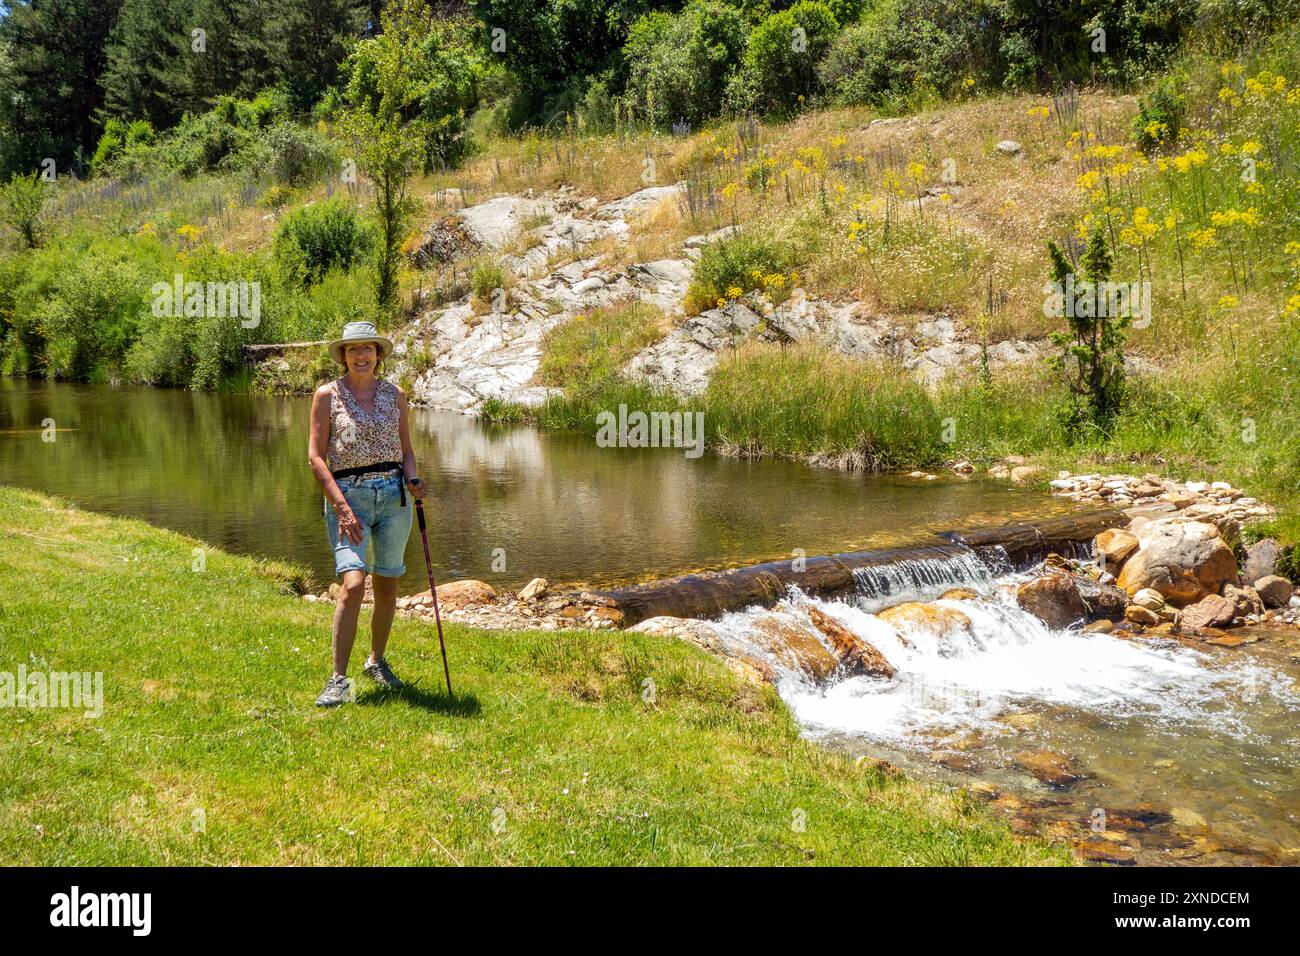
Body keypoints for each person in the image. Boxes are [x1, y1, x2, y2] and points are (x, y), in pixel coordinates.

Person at [307, 320, 426, 707]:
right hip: (349, 497)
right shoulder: (327, 395)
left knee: (388, 584)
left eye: (368, 349)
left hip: (394, 498)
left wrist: (414, 479)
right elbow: (315, 457)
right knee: (354, 584)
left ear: (378, 355)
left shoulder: (396, 395)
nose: (361, 356)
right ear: (343, 355)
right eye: (353, 349)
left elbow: (406, 451)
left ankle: (376, 661)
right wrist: (340, 506)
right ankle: (338, 679)